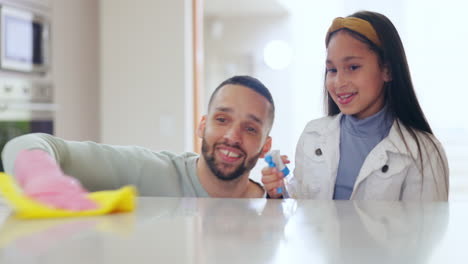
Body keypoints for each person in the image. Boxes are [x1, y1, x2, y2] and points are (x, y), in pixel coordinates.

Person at [262, 11, 449, 201]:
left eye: (353, 67)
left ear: (387, 70)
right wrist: (277, 194)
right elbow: (300, 216)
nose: (339, 82)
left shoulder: (424, 152)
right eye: (332, 70)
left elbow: (428, 229)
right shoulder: (312, 135)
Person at [2, 75, 275, 198]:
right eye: (222, 119)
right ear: (202, 126)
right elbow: (26, 144)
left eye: (250, 129)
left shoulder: (277, 203)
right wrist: (42, 178)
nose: (232, 136)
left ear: (266, 146)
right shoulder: (154, 172)